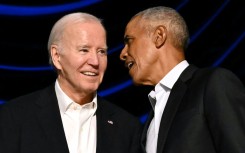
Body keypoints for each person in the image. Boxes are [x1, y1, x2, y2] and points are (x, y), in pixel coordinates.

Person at [0, 12, 143, 153]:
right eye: (84, 50)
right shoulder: (13, 118)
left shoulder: (128, 128)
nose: (95, 61)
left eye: (101, 52)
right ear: (57, 56)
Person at [119, 6, 245, 153]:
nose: (122, 53)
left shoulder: (213, 83)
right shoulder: (149, 122)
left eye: (129, 41)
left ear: (159, 36)